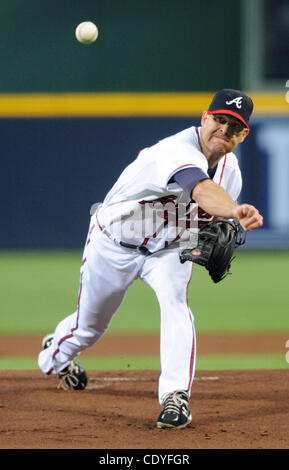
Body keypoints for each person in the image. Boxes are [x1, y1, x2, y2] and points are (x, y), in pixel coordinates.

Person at [38, 89, 263, 429]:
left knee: (176, 304)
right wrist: (235, 210)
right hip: (116, 242)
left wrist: (224, 230)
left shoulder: (231, 173)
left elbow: (209, 221)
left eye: (234, 126)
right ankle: (53, 356)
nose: (224, 130)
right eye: (219, 120)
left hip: (170, 248)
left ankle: (175, 398)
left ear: (243, 134)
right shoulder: (175, 150)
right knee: (90, 328)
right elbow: (199, 190)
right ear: (204, 118)